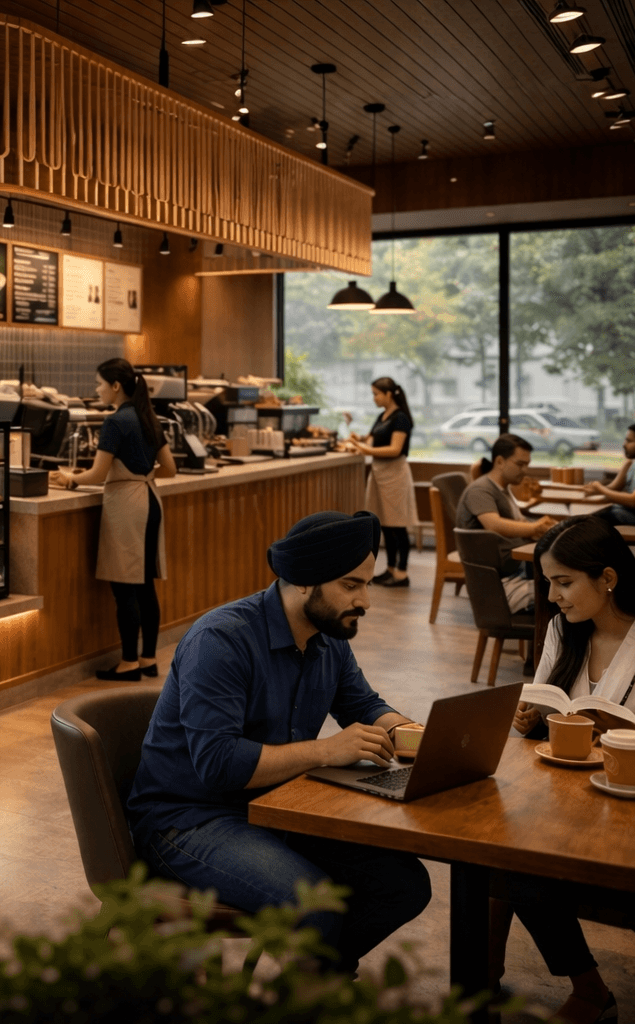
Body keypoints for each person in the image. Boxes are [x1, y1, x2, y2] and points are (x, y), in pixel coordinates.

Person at [125, 510, 431, 974]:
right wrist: (328, 750)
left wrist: (416, 735)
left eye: (366, 584)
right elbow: (219, 765)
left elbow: (364, 704)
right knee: (316, 905)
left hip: (274, 806)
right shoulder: (221, 641)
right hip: (187, 819)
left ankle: (314, 985)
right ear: (305, 580)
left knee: (404, 884)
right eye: (352, 585)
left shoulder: (328, 637)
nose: (366, 600)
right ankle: (314, 992)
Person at [499, 516, 635, 1023]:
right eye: (549, 583)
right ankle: (510, 984)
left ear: (607, 578)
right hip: (564, 797)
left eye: (564, 582)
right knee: (497, 855)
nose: (554, 596)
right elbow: (542, 710)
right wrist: (527, 717)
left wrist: (627, 737)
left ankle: (589, 990)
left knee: (521, 869)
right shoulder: (565, 630)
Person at [49, 358, 177, 681]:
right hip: (150, 500)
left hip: (127, 507)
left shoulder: (116, 422)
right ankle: (148, 659)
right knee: (146, 584)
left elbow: (97, 474)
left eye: (100, 384)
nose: (97, 389)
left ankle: (128, 663)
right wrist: (142, 474)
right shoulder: (149, 417)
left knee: (125, 588)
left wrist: (70, 479)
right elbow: (171, 469)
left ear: (116, 386)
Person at [455, 434, 559, 610]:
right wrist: (535, 527)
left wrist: (540, 527)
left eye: (527, 465)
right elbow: (493, 524)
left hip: (514, 566)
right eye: (520, 464)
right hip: (506, 575)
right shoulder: (480, 489)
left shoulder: (502, 489)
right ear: (500, 461)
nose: (525, 470)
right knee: (570, 593)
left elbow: (518, 521)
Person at [343, 377, 417, 587]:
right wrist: (359, 439)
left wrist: (364, 448)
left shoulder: (401, 418)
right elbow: (371, 439)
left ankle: (402, 573)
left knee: (398, 525)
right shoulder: (382, 416)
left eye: (376, 394)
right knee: (385, 523)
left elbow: (394, 449)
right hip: (379, 472)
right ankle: (391, 569)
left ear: (389, 394)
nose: (374, 398)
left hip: (395, 473)